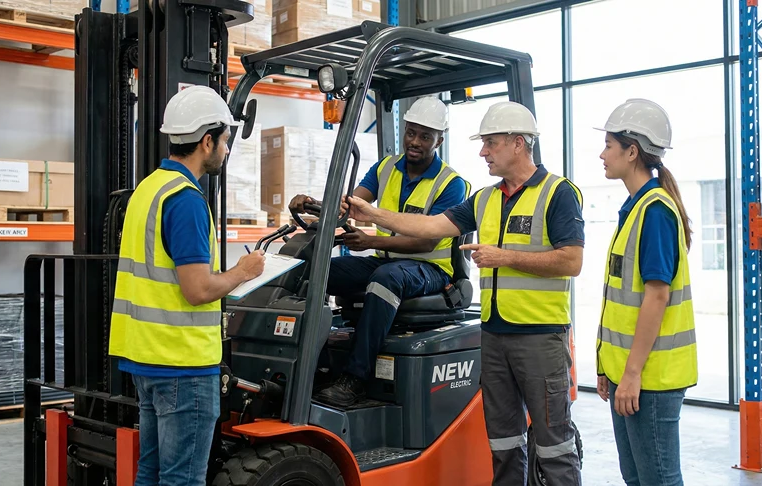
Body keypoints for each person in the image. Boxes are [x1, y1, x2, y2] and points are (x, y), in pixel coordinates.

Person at [344, 101, 584, 485]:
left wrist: (503, 257)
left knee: (553, 448)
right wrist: (373, 216)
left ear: (519, 144)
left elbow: (571, 261)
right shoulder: (485, 198)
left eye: (490, 143)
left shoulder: (558, 193)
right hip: (496, 334)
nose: (482, 151)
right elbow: (430, 226)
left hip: (540, 337)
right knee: (503, 443)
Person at [108, 86, 266, 486]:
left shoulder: (148, 189)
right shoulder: (186, 200)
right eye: (225, 141)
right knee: (182, 479)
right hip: (183, 365)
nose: (227, 151)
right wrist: (244, 271)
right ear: (207, 141)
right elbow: (196, 290)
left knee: (152, 473)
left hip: (146, 358)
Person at [289, 96, 469, 407]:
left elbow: (425, 242)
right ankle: (308, 363)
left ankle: (355, 379)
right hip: (387, 260)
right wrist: (315, 208)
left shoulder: (451, 184)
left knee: (385, 280)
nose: (414, 142)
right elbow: (350, 205)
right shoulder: (386, 168)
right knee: (315, 271)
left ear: (440, 138)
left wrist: (371, 241)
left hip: (430, 270)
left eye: (425, 136)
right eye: (411, 132)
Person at [594, 98, 697, 486]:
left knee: (658, 480)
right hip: (631, 374)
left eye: (608, 145)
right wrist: (610, 368)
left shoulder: (654, 211)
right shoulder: (635, 208)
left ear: (632, 151)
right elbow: (624, 299)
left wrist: (632, 373)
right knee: (637, 478)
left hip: (651, 378)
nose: (601, 155)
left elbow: (657, 297)